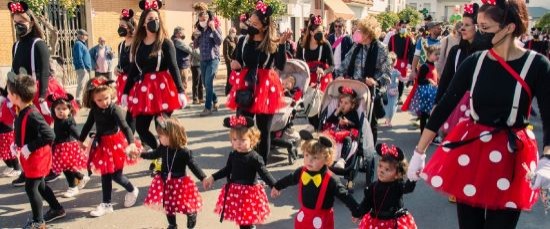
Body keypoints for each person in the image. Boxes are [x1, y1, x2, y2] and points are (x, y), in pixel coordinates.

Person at [407, 1, 550, 228]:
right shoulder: (475, 61)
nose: (478, 33)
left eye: (485, 28)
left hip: (512, 156)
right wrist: (419, 152)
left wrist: (547, 158)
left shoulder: (537, 64)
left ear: (509, 27)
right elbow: (444, 106)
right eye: (478, 27)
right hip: (472, 152)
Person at [8, 1, 78, 187]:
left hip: (39, 90)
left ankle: (53, 169)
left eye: (22, 20)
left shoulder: (38, 44)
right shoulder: (16, 46)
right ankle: (27, 170)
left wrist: (42, 97)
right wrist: (10, 95)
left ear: (31, 21)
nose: (19, 25)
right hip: (22, 92)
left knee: (43, 133)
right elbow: (15, 72)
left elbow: (45, 71)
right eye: (16, 22)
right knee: (23, 133)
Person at [226, 0, 291, 164]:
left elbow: (281, 65)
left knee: (264, 130)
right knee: (241, 125)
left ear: (264, 26)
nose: (251, 26)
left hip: (266, 87)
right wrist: (235, 65)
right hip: (246, 86)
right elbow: (236, 61)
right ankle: (242, 162)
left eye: (255, 23)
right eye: (250, 22)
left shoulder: (273, 42)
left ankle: (261, 166)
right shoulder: (243, 41)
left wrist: (282, 45)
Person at [122, 0, 186, 153]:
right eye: (150, 20)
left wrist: (181, 91)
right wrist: (125, 91)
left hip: (163, 88)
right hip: (144, 89)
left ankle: (167, 158)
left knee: (162, 126)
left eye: (156, 19)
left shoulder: (166, 43)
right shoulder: (137, 44)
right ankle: (159, 152)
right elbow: (133, 70)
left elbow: (173, 66)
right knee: (141, 127)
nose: (154, 22)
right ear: (144, 23)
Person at [6, 72, 66, 228]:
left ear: (16, 96)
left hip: (38, 157)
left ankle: (38, 221)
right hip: (31, 157)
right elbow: (23, 130)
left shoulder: (32, 114)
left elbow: (50, 135)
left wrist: (29, 146)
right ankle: (57, 208)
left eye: (9, 93)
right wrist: (16, 143)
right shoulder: (22, 109)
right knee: (40, 186)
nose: (7, 96)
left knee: (31, 187)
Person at [271, 130, 358, 229]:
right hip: (304, 216)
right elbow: (290, 179)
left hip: (322, 220)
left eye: (315, 157)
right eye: (306, 155)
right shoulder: (302, 171)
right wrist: (277, 186)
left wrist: (356, 210)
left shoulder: (331, 179)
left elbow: (344, 195)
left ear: (326, 159)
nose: (309, 160)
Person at [80, 77, 140, 217]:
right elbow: (88, 125)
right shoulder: (94, 110)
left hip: (116, 144)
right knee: (105, 174)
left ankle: (132, 189)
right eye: (99, 100)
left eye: (106, 98)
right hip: (102, 144)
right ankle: (106, 204)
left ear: (111, 94)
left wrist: (131, 142)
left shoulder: (114, 109)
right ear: (93, 99)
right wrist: (80, 140)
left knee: (116, 175)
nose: (103, 102)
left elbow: (125, 127)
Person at [203, 115, 277, 229]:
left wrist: (275, 185)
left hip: (249, 194)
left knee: (245, 221)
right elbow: (227, 169)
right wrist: (213, 177)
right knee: (241, 220)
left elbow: (264, 173)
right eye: (235, 140)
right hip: (236, 193)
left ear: (252, 140)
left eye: (243, 140)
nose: (238, 143)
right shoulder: (233, 155)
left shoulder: (254, 157)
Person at [138, 117, 206, 229]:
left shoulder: (184, 152)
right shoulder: (163, 148)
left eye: (160, 136)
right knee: (168, 205)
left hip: (180, 182)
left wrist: (203, 178)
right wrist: (142, 154)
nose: (158, 138)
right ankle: (172, 224)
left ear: (171, 135)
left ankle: (191, 213)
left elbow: (194, 166)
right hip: (165, 181)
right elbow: (153, 154)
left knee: (184, 204)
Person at [335, 15, 392, 146]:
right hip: (354, 88)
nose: (358, 33)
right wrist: (338, 76)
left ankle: (369, 149)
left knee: (370, 123)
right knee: (348, 117)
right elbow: (344, 64)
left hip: (370, 90)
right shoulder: (356, 46)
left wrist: (376, 82)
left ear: (369, 33)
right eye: (358, 30)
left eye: (362, 31)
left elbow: (387, 74)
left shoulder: (381, 48)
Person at [435, 3, 486, 137]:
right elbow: (445, 80)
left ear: (478, 27)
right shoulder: (456, 51)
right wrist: (437, 104)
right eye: (462, 25)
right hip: (456, 107)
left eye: (467, 25)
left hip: (480, 110)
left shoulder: (487, 53)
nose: (462, 29)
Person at [352, 144, 417, 229]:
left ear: (397, 175)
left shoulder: (398, 186)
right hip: (375, 222)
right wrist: (359, 213)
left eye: (387, 169)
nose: (381, 171)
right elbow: (366, 203)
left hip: (393, 222)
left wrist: (413, 178)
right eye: (380, 166)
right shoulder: (373, 187)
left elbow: (408, 188)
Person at [48, 93, 90, 198]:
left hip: (67, 147)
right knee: (68, 167)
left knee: (67, 169)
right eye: (58, 109)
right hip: (60, 146)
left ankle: (73, 187)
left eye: (64, 108)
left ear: (70, 110)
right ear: (53, 110)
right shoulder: (58, 120)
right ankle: (81, 177)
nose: (61, 111)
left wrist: (82, 141)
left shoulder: (68, 121)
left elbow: (74, 131)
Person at [402, 21, 442, 113]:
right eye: (438, 27)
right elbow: (416, 56)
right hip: (424, 72)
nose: (440, 29)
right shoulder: (422, 41)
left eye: (440, 27)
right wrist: (413, 70)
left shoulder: (443, 41)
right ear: (431, 30)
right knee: (422, 98)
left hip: (437, 73)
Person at [322, 86, 360, 169]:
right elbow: (329, 120)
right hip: (335, 132)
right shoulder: (338, 112)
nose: (342, 105)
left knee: (348, 140)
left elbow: (357, 125)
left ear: (352, 105)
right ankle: (324, 156)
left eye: (346, 103)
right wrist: (336, 112)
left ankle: (342, 160)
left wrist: (348, 122)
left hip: (347, 134)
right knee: (325, 137)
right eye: (341, 102)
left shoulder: (353, 113)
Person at [193, 9, 222, 116]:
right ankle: (215, 100)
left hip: (213, 60)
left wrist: (213, 29)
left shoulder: (215, 27)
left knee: (208, 83)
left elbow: (219, 41)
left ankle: (207, 108)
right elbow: (195, 46)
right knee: (206, 84)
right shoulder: (199, 30)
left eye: (205, 17)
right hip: (203, 60)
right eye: (200, 17)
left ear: (209, 18)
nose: (203, 19)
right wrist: (195, 37)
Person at [297, 14, 334, 92]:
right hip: (306, 79)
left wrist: (324, 72)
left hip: (321, 79)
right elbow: (298, 63)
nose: (321, 34)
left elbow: (332, 66)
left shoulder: (325, 44)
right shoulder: (301, 45)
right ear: (311, 32)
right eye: (318, 32)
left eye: (322, 31)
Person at [115, 8, 137, 133]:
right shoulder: (121, 45)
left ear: (130, 27)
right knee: (126, 111)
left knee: (132, 112)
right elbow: (120, 63)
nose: (120, 28)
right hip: (122, 81)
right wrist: (116, 69)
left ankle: (134, 140)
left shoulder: (136, 43)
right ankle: (130, 139)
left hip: (133, 81)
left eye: (123, 26)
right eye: (119, 26)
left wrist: (123, 70)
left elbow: (134, 64)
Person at [409, 45, 439, 135]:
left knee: (430, 115)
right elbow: (420, 80)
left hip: (432, 94)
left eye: (438, 54)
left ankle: (429, 134)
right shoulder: (425, 66)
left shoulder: (433, 65)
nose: (437, 56)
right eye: (435, 54)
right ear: (429, 54)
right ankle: (424, 134)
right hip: (426, 95)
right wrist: (429, 80)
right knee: (425, 116)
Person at [387, 20, 415, 104]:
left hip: (404, 62)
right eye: (402, 26)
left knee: (401, 81)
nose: (404, 28)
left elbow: (412, 51)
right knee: (391, 79)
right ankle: (390, 95)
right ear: (398, 27)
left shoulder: (409, 39)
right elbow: (388, 50)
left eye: (405, 27)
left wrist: (410, 63)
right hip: (393, 61)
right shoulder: (392, 38)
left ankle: (399, 97)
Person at [0, 88, 19, 178]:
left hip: (8, 131)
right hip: (2, 131)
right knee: (3, 152)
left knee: (11, 151)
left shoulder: (7, 103)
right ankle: (10, 166)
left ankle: (17, 169)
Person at [73, 29, 92, 106]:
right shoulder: (78, 44)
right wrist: (83, 67)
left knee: (85, 85)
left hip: (86, 68)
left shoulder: (82, 44)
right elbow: (79, 57)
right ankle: (78, 100)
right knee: (81, 85)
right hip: (82, 69)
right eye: (86, 35)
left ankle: (83, 100)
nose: (87, 37)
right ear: (81, 36)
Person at [172, 26, 192, 92]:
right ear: (178, 34)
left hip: (180, 65)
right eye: (182, 33)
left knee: (178, 85)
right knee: (183, 85)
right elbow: (189, 50)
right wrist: (200, 57)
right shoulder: (178, 41)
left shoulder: (173, 40)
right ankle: (182, 100)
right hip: (182, 65)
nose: (183, 34)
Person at [384, 52, 401, 127]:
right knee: (392, 107)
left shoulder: (385, 71)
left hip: (387, 91)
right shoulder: (396, 72)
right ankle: (389, 121)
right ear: (394, 62)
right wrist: (409, 77)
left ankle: (387, 120)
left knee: (387, 106)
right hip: (394, 91)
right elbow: (402, 79)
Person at [223, 27, 237, 95]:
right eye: (233, 32)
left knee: (233, 75)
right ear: (230, 32)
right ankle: (228, 90)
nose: (235, 34)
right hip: (230, 61)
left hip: (234, 61)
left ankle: (231, 90)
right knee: (229, 75)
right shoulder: (227, 40)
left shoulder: (234, 40)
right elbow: (225, 53)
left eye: (235, 32)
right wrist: (229, 61)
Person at [190, 36, 203, 104]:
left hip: (201, 65)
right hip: (195, 66)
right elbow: (198, 55)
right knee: (196, 82)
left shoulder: (201, 45)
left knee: (201, 82)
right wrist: (204, 56)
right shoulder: (192, 46)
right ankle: (195, 98)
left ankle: (201, 98)